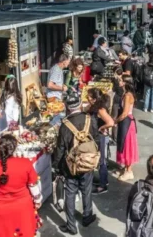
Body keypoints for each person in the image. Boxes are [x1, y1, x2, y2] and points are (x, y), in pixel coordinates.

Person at [54, 93, 99, 235]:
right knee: (86, 190)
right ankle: (87, 216)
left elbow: (60, 149)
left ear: (67, 107)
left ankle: (71, 226)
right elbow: (96, 140)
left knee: (70, 194)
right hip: (87, 161)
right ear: (80, 104)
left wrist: (57, 166)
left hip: (71, 165)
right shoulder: (90, 119)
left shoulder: (64, 125)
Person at [0, 135, 42, 237]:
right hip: (22, 208)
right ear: (14, 149)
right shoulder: (25, 163)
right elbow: (33, 186)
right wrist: (38, 201)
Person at [86, 88, 115, 195]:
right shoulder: (97, 106)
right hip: (100, 137)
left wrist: (101, 128)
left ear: (94, 98)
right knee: (102, 160)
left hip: (102, 137)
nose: (87, 98)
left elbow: (111, 122)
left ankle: (103, 186)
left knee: (102, 161)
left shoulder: (100, 109)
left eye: (89, 96)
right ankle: (104, 181)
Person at [115, 80, 139, 181]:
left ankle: (129, 170)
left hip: (127, 122)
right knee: (123, 143)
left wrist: (115, 120)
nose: (119, 82)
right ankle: (126, 168)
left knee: (126, 145)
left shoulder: (128, 96)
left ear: (125, 83)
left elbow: (125, 113)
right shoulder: (127, 94)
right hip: (126, 122)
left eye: (121, 80)